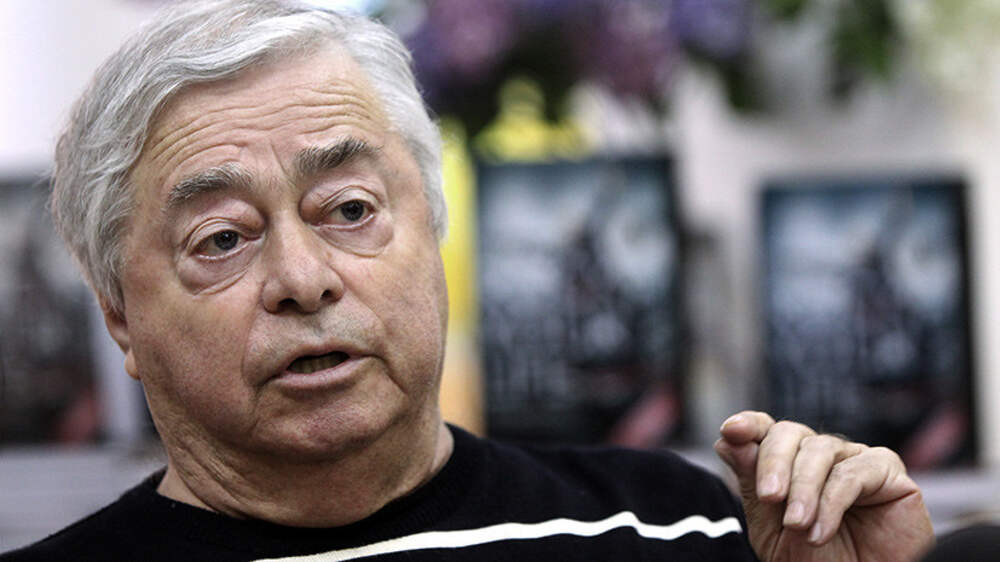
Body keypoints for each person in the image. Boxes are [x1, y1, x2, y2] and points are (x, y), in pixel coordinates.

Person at [1, 0, 933, 560]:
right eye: (221, 239)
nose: (303, 279)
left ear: (435, 226)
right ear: (118, 313)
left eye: (350, 209)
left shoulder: (676, 529)